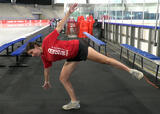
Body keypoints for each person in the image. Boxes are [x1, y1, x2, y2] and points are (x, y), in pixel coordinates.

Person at [26, 3, 144, 110]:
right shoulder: (44, 57)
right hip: (72, 57)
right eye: (31, 54)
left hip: (79, 47)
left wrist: (69, 13)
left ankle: (130, 70)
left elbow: (59, 26)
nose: (32, 55)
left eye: (32, 52)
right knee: (63, 78)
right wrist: (46, 81)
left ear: (36, 46)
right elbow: (46, 69)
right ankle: (74, 102)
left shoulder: (47, 41)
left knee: (105, 60)